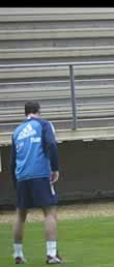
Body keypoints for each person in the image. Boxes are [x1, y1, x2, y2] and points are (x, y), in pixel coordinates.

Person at [10, 101, 63, 264]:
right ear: (39, 111)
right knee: (49, 212)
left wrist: (15, 181)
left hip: (21, 176)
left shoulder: (17, 131)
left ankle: (18, 254)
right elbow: (52, 144)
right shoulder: (44, 125)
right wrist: (55, 168)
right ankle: (51, 254)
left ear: (25, 113)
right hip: (40, 173)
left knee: (20, 214)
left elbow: (12, 161)